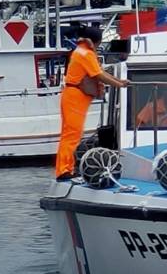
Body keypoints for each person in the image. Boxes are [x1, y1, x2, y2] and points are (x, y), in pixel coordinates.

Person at [55, 36, 129, 180]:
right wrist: (119, 85)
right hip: (76, 97)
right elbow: (99, 75)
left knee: (69, 134)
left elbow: (99, 71)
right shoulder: (86, 54)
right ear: (96, 42)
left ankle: (65, 169)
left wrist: (119, 81)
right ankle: (64, 171)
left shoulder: (81, 51)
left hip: (73, 95)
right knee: (72, 135)